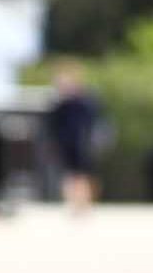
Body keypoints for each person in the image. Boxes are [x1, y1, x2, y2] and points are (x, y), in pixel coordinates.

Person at [46, 60, 104, 214]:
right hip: (66, 144)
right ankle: (73, 203)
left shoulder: (86, 102)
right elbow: (52, 127)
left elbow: (95, 121)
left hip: (84, 143)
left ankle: (86, 202)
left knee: (85, 175)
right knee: (70, 175)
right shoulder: (59, 105)